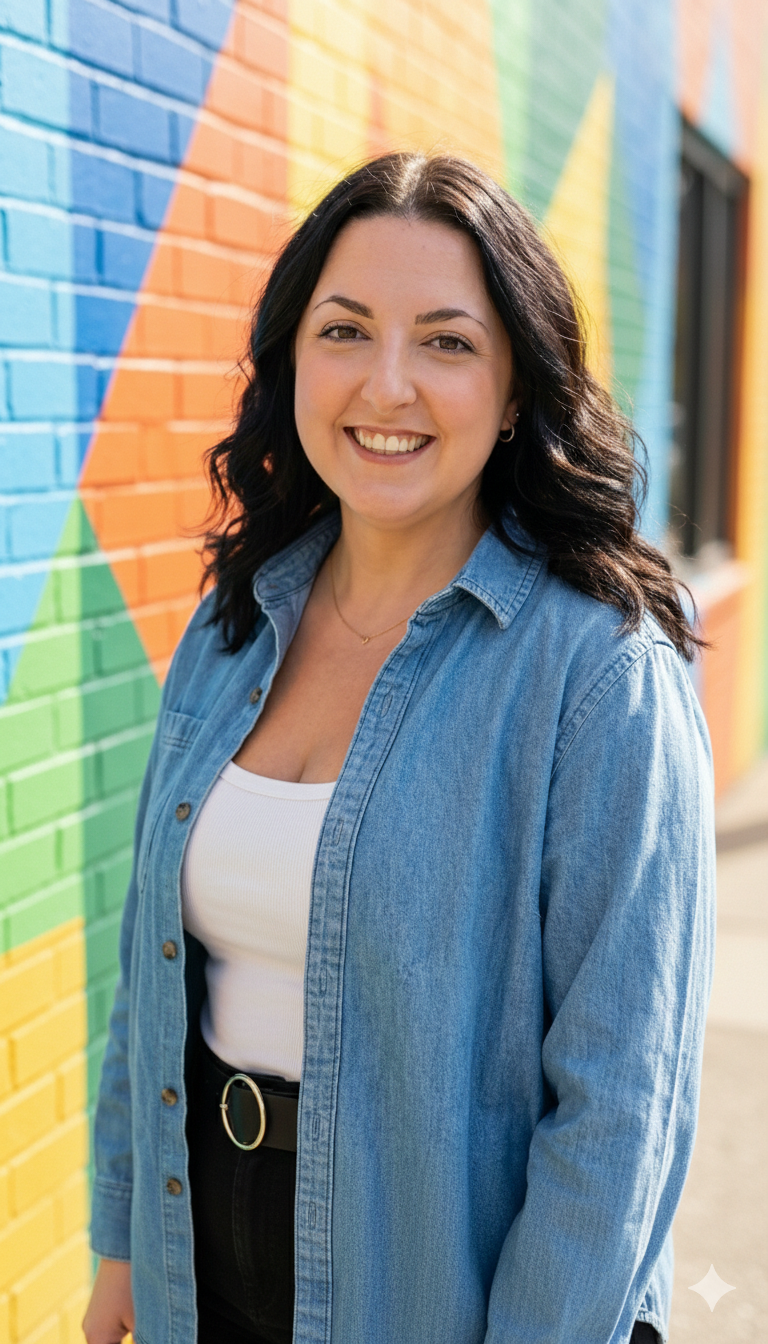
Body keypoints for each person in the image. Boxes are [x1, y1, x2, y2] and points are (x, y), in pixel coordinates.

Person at [83, 152, 715, 1344]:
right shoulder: (233, 624)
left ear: (519, 385)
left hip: (436, 1286)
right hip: (199, 1262)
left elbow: (621, 1109)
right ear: (291, 361)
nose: (388, 385)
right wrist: (125, 1246)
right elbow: (151, 967)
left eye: (447, 342)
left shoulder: (599, 674)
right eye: (345, 330)